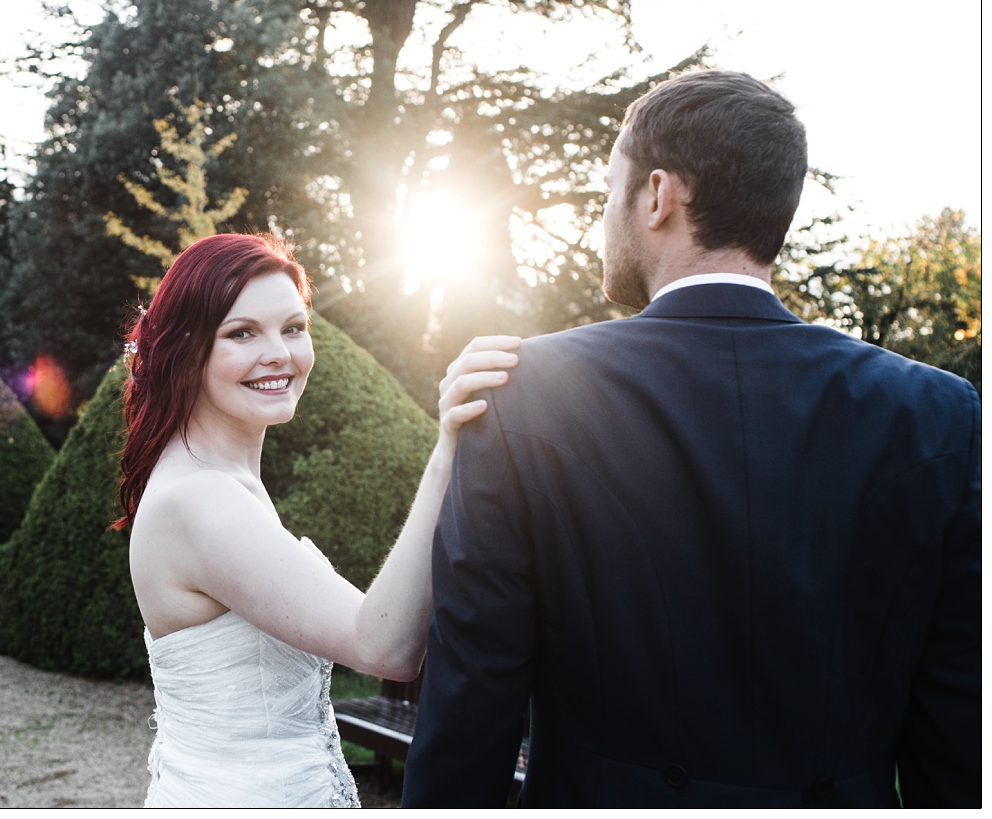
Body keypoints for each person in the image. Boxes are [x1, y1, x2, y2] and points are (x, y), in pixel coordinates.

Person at [402, 69, 981, 807]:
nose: (602, 219)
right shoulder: (936, 413)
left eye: (610, 192)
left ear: (657, 196)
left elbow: (469, 716)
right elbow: (960, 737)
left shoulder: (525, 392)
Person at [118, 232, 518, 807]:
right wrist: (446, 451)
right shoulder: (203, 499)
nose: (280, 352)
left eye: (294, 327)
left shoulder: (215, 476)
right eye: (242, 333)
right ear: (187, 347)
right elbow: (384, 647)